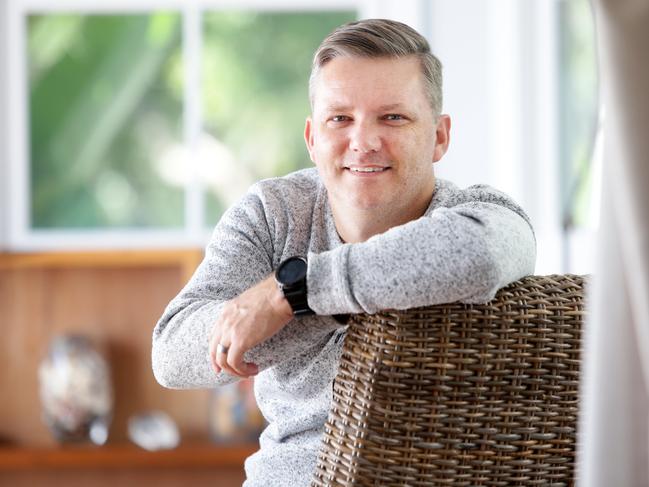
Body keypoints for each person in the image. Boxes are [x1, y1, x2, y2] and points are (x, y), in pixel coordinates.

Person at [152, 18, 536, 486]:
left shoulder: (478, 214)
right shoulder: (272, 212)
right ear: (313, 138)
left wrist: (293, 292)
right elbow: (172, 354)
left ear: (439, 136)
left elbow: (483, 256)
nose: (364, 141)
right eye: (341, 118)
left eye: (393, 117)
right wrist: (336, 302)